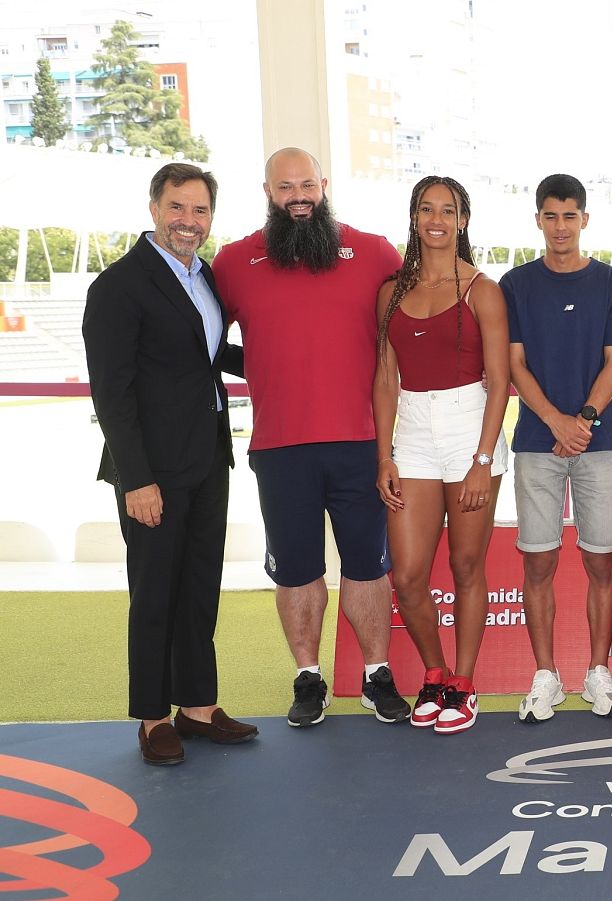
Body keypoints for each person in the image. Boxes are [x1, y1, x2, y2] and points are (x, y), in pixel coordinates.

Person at [212, 148, 410, 727]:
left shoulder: (374, 253)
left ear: (324, 186)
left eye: (307, 184)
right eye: (284, 187)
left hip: (360, 445)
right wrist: (261, 363)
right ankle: (308, 677)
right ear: (267, 191)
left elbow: (407, 335)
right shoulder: (233, 261)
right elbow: (198, 335)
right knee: (298, 570)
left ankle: (376, 675)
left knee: (368, 567)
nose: (297, 195)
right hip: (279, 449)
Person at [84, 162, 257, 764]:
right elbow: (112, 392)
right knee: (155, 590)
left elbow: (205, 356)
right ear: (155, 209)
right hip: (152, 469)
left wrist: (284, 357)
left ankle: (198, 707)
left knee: (200, 585)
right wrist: (137, 479)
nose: (189, 221)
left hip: (209, 455)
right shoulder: (118, 286)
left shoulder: (204, 278)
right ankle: (153, 716)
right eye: (178, 208)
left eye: (200, 210)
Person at [373, 176, 510, 734]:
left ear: (462, 220)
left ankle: (464, 682)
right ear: (413, 218)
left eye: (447, 210)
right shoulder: (390, 292)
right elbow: (385, 378)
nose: (436, 219)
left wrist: (482, 458)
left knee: (466, 565)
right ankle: (434, 672)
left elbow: (500, 382)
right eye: (426, 209)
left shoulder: (483, 290)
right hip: (413, 434)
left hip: (468, 427)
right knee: (406, 575)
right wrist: (385, 454)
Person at [504, 174, 612, 722]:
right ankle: (546, 675)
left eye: (570, 216)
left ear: (585, 219)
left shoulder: (610, 282)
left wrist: (581, 420)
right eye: (551, 215)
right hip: (537, 440)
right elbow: (514, 364)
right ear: (538, 219)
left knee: (601, 558)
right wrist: (556, 421)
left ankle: (598, 672)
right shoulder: (515, 284)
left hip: (597, 440)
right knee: (539, 560)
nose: (561, 226)